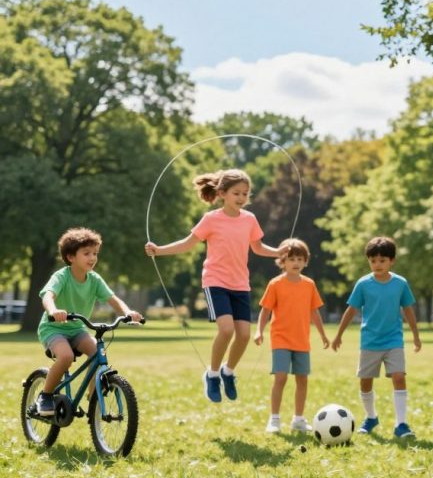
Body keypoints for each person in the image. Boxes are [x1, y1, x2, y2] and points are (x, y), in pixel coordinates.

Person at [145, 169, 282, 403]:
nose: (241, 198)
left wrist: (277, 252)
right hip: (215, 282)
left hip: (241, 285)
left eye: (245, 194)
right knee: (226, 330)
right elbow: (187, 244)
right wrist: (159, 249)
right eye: (236, 193)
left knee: (244, 335)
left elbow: (258, 248)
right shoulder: (211, 219)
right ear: (222, 193)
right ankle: (213, 374)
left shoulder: (249, 220)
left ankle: (228, 372)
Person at [34, 228, 143, 416]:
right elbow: (48, 296)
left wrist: (128, 312)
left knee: (98, 354)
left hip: (77, 329)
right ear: (71, 257)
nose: (92, 258)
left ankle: (93, 397)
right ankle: (46, 395)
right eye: (86, 253)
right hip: (53, 328)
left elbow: (112, 299)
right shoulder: (62, 276)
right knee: (66, 357)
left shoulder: (94, 279)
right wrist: (53, 310)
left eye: (95, 253)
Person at [331, 236, 422, 438]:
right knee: (365, 382)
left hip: (394, 340)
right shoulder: (363, 284)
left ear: (392, 261)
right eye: (373, 261)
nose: (377, 264)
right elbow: (351, 310)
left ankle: (402, 425)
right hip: (370, 341)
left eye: (382, 260)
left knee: (399, 377)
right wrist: (338, 335)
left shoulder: (400, 283)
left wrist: (416, 336)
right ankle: (371, 417)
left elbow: (408, 311)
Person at [254, 238, 329, 433]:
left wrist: (323, 336)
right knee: (280, 378)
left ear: (305, 261)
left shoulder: (309, 284)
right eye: (291, 259)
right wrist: (258, 331)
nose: (296, 262)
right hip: (281, 338)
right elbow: (265, 310)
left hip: (302, 339)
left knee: (302, 379)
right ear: (282, 261)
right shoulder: (275, 284)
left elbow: (315, 312)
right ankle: (275, 419)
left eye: (300, 259)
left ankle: (298, 419)